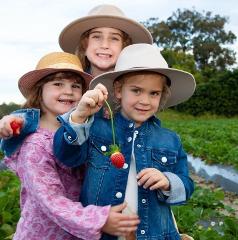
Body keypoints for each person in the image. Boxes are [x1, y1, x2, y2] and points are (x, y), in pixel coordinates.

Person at [53, 43, 196, 240]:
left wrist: (168, 182)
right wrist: (78, 117)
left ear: (161, 95)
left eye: (153, 93)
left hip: (155, 233)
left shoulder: (170, 140)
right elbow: (66, 156)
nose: (145, 100)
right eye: (136, 90)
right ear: (119, 91)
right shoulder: (97, 128)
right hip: (104, 233)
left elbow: (187, 184)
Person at [1, 52, 140, 240]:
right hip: (43, 234)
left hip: (78, 231)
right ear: (39, 91)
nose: (68, 91)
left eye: (75, 86)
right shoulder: (34, 145)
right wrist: (99, 220)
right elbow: (51, 200)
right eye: (58, 84)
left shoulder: (86, 130)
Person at [0, 3, 152, 141]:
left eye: (114, 38)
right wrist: (16, 119)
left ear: (124, 48)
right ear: (85, 46)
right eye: (96, 37)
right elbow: (45, 111)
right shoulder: (74, 84)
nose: (105, 45)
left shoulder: (135, 87)